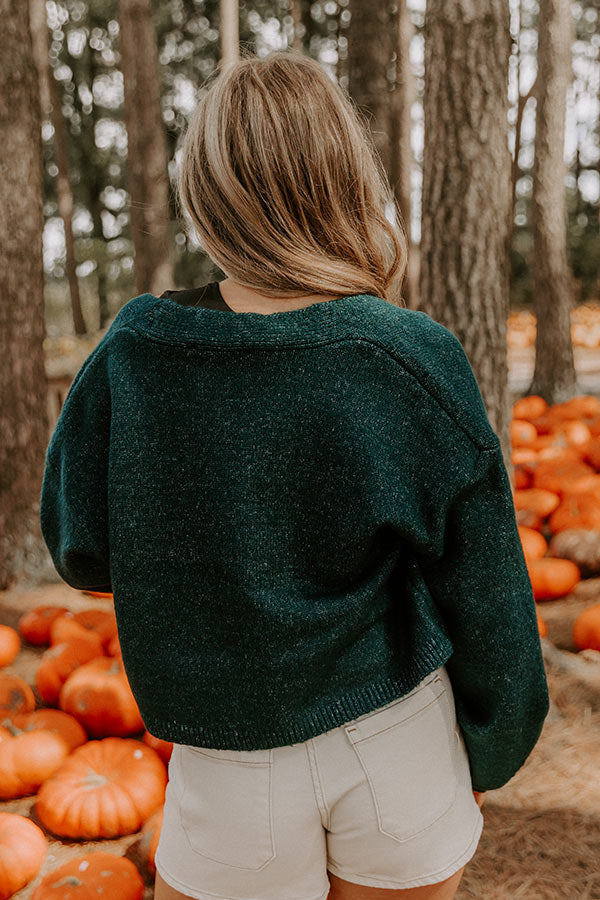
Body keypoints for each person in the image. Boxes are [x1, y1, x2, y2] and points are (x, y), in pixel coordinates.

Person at [39, 49, 549, 900]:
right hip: (397, 748)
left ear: (205, 190)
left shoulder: (136, 353)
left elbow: (81, 551)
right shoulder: (407, 355)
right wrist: (495, 744)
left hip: (228, 762)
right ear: (346, 178)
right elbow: (488, 589)